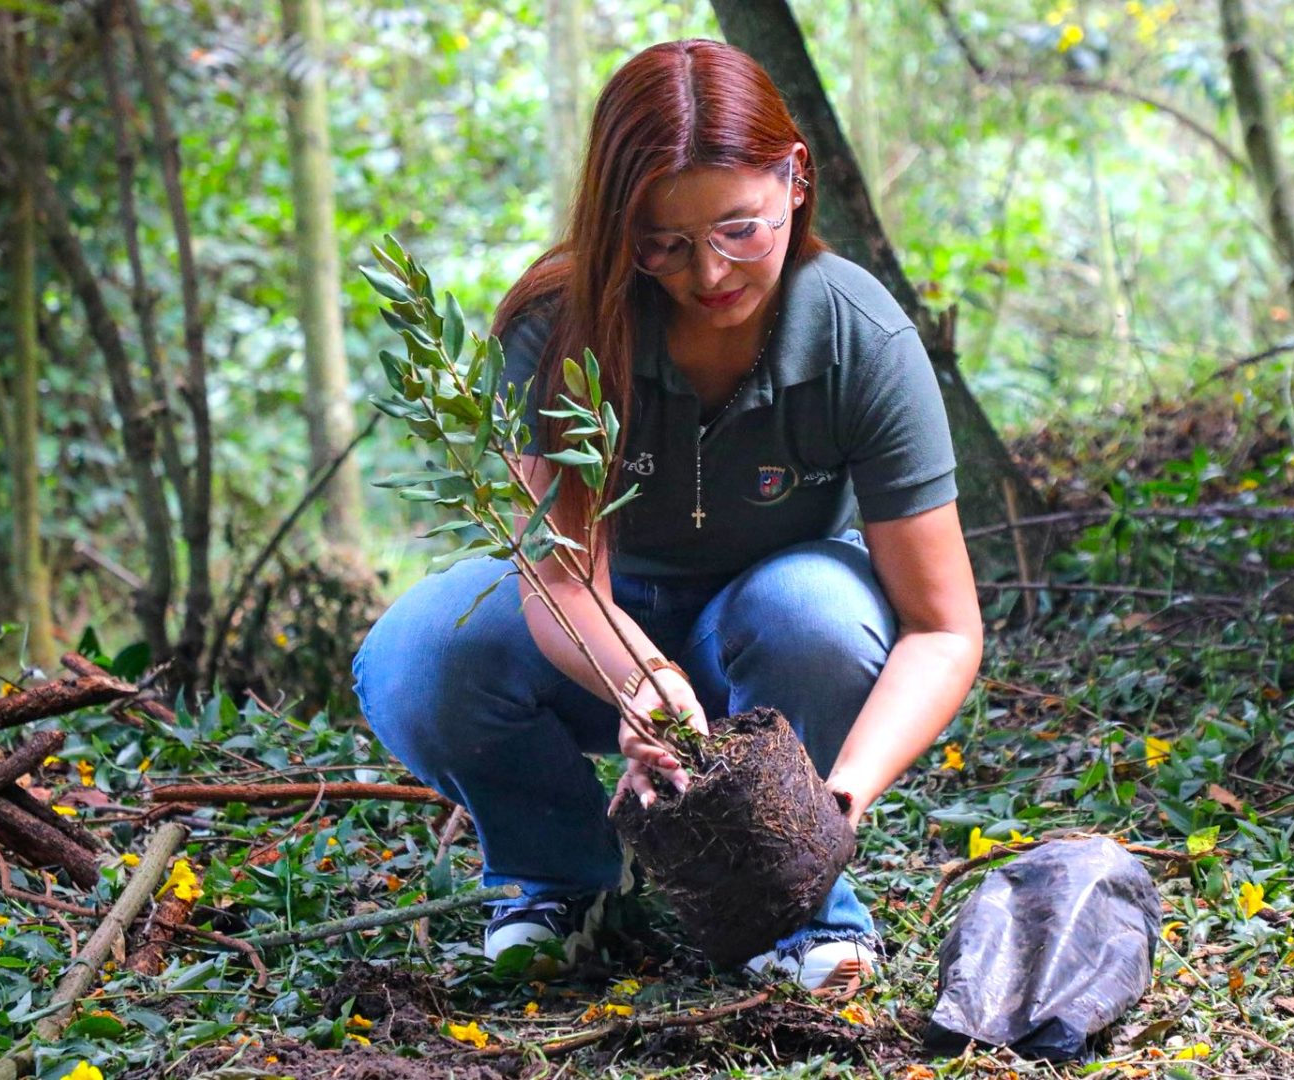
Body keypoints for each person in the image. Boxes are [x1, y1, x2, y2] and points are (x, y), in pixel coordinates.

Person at [353, 38, 983, 991]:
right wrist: (641, 682)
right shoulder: (562, 324)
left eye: (742, 229)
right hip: (598, 633)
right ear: (619, 225)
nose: (710, 274)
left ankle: (803, 904)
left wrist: (832, 803)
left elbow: (943, 629)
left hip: (767, 636)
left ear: (797, 180)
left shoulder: (861, 335)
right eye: (666, 243)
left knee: (815, 609)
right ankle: (557, 881)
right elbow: (564, 580)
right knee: (422, 657)